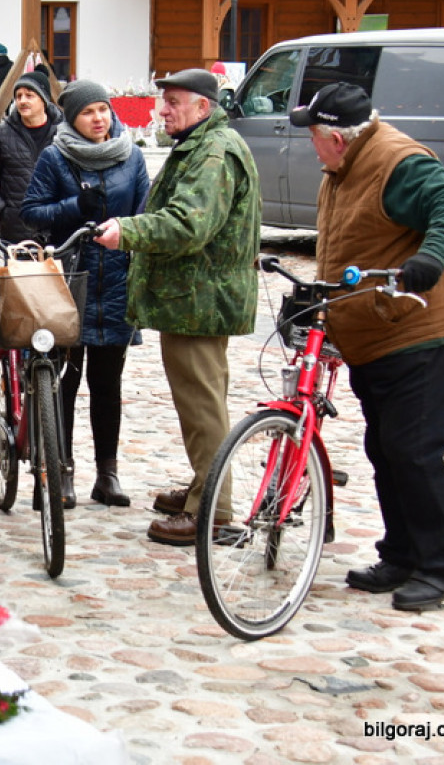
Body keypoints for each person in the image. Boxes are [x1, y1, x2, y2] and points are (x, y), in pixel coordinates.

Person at [288, 82, 444, 610]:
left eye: (315, 135)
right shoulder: (343, 168)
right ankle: (402, 553)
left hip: (422, 330)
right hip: (375, 332)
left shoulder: (398, 162)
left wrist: (429, 260)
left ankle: (442, 564)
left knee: (413, 450)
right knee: (384, 448)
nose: (310, 144)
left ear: (338, 139)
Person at [96, 68, 260, 545]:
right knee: (201, 400)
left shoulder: (214, 151)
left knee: (202, 404)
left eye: (172, 102)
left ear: (202, 107)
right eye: (162, 101)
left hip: (200, 300)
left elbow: (190, 224)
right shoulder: (202, 143)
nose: (161, 110)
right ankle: (203, 489)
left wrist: (128, 232)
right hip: (193, 298)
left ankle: (213, 511)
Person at [20, 80, 149, 508]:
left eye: (104, 110)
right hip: (69, 282)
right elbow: (32, 211)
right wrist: (76, 206)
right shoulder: (55, 157)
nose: (99, 118)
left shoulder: (132, 157)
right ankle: (62, 472)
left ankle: (107, 474)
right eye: (89, 112)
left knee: (107, 384)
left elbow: (146, 214)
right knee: (64, 383)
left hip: (116, 283)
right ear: (73, 118)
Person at [0, 71, 63, 243]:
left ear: (44, 99)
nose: (22, 101)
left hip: (58, 232)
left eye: (29, 95)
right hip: (16, 233)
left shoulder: (64, 133)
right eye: (18, 96)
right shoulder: (0, 135)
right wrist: (1, 211)